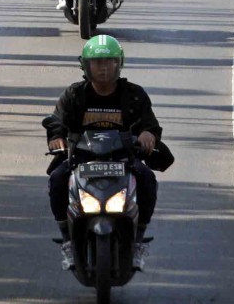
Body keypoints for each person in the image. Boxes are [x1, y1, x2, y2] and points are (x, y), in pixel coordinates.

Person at [44, 35, 161, 270]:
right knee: (57, 179)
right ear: (85, 66)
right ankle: (67, 238)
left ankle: (138, 239)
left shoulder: (134, 94)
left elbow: (149, 124)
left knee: (147, 178)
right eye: (97, 63)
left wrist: (148, 135)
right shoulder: (74, 94)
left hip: (123, 156)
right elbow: (57, 121)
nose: (104, 68)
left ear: (119, 64)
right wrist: (57, 138)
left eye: (109, 62)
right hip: (81, 156)